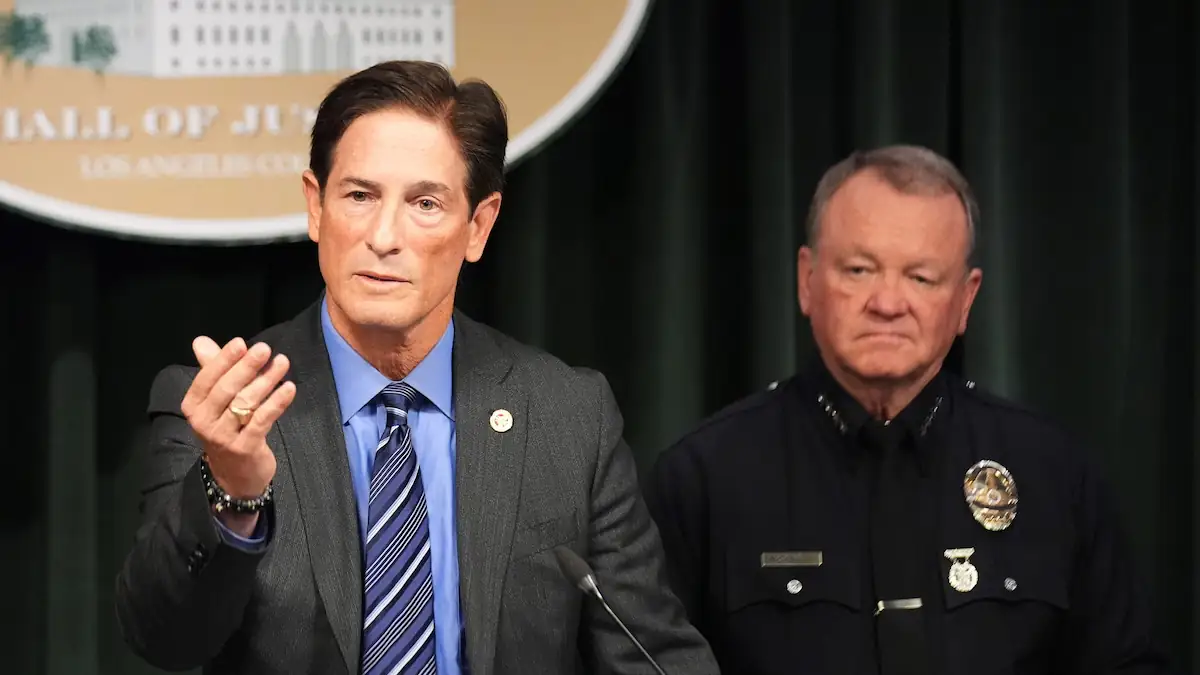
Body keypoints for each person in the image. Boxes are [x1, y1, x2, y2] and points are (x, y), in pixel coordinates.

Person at [114, 60, 718, 675]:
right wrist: (232, 493)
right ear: (315, 206)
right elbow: (163, 638)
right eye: (359, 196)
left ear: (478, 226)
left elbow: (650, 653)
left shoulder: (567, 416)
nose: (384, 235)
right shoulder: (222, 404)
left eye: (425, 203)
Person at [644, 145, 1170, 674]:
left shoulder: (1054, 473)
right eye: (859, 270)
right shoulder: (704, 480)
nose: (889, 303)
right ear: (807, 281)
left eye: (921, 277)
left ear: (965, 300)